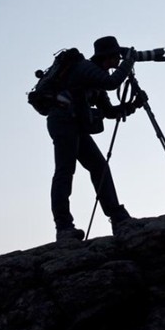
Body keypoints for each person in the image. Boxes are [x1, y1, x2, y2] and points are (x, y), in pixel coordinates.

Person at [46, 36, 145, 242]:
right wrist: (130, 61)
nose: (119, 60)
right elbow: (112, 83)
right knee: (65, 171)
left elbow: (108, 112)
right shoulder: (85, 68)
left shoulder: (96, 77)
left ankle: (117, 217)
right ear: (107, 57)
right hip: (62, 122)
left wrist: (133, 106)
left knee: (99, 167)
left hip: (75, 125)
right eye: (117, 56)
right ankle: (64, 228)